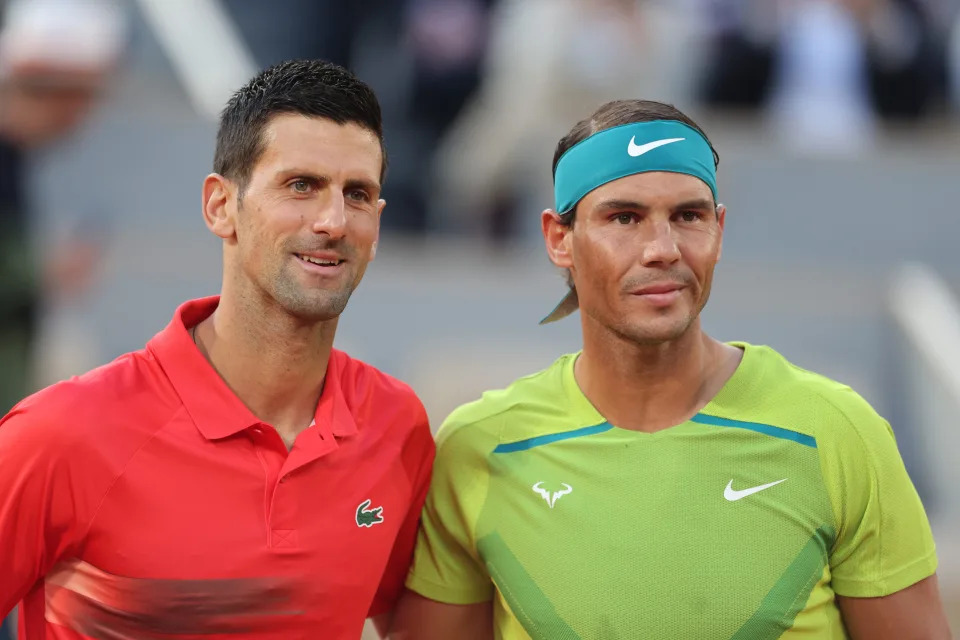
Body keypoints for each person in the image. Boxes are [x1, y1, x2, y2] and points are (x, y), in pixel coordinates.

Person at [389, 99, 950, 639]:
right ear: (560, 239)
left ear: (719, 231)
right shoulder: (479, 447)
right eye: (624, 217)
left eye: (688, 216)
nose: (662, 248)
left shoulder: (837, 431)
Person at [0, 59, 435, 639]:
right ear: (220, 206)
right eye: (300, 186)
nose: (333, 221)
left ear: (377, 224)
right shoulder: (60, 434)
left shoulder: (395, 425)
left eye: (357, 194)